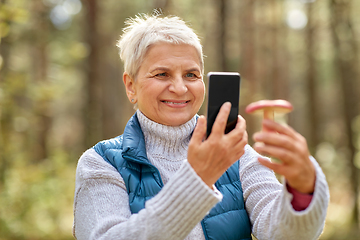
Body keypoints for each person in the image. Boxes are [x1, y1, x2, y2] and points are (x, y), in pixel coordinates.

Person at [73, 12, 329, 240]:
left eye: (191, 75)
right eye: (162, 74)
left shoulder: (237, 155)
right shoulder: (101, 162)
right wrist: (198, 179)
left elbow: (283, 233)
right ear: (131, 85)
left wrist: (303, 188)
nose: (180, 88)